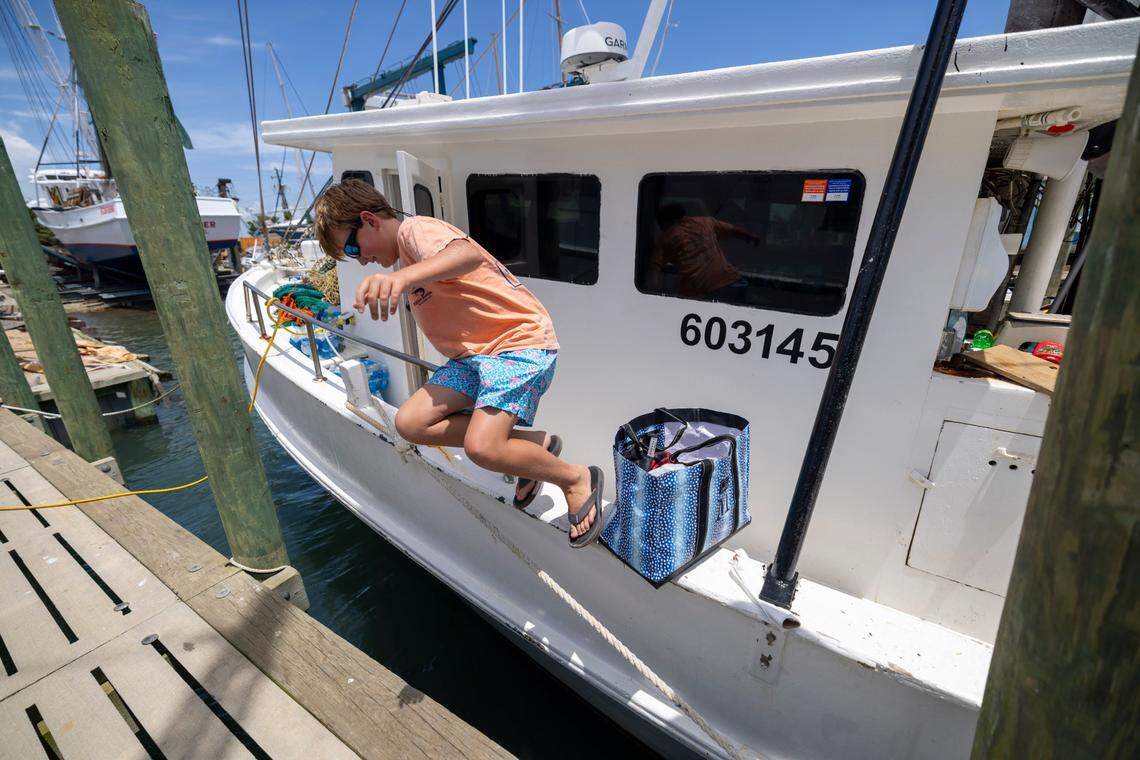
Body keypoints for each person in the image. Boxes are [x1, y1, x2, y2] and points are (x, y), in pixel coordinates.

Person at [313, 180, 605, 547]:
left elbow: (467, 255)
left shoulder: (416, 230)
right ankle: (534, 446)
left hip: (517, 344)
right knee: (410, 422)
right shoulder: (404, 259)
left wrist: (402, 278)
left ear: (369, 219)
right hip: (474, 360)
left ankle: (575, 478)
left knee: (482, 448)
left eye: (353, 247)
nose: (361, 259)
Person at [650, 203, 761, 300]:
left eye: (661, 225)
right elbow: (734, 230)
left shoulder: (665, 238)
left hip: (702, 290)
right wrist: (752, 237)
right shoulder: (706, 222)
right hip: (733, 282)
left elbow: (655, 271)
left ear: (667, 222)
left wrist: (653, 297)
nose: (661, 228)